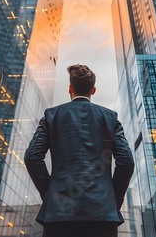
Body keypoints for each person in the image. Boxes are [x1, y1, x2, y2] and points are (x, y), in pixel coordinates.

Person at [24, 64, 135, 237]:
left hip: (59, 215)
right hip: (103, 215)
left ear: (70, 89)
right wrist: (113, 198)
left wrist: (51, 194)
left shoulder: (51, 116)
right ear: (94, 90)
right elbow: (126, 162)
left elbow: (32, 157)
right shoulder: (110, 118)